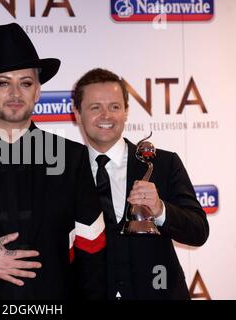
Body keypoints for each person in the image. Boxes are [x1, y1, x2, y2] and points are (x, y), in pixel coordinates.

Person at [0, 23, 106, 299]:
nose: (16, 94)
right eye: (3, 83)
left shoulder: (72, 158)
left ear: (37, 92)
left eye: (25, 83)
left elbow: (92, 253)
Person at [72, 68, 209, 299]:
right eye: (95, 107)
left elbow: (198, 231)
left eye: (114, 107)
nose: (106, 115)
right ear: (77, 113)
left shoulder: (164, 163)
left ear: (126, 112)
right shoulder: (64, 172)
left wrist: (160, 210)